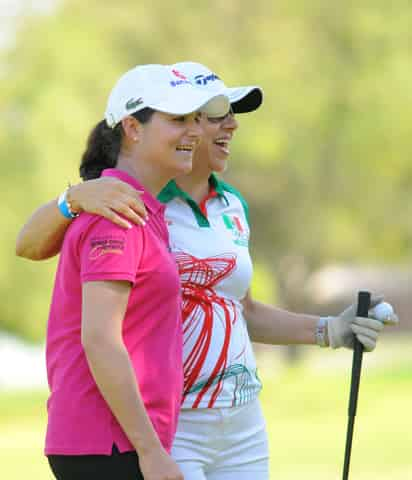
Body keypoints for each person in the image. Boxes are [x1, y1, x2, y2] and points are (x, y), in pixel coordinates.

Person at [16, 62, 398, 480]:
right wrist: (74, 197)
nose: (227, 126)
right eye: (204, 117)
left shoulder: (223, 206)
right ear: (137, 128)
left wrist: (331, 329)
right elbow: (36, 254)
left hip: (231, 417)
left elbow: (239, 309)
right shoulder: (117, 203)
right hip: (160, 425)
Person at [18, 63, 230, 480]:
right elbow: (100, 338)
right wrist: (150, 452)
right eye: (178, 120)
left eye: (196, 120)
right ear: (133, 128)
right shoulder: (116, 213)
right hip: (108, 443)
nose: (194, 132)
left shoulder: (139, 208)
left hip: (117, 441)